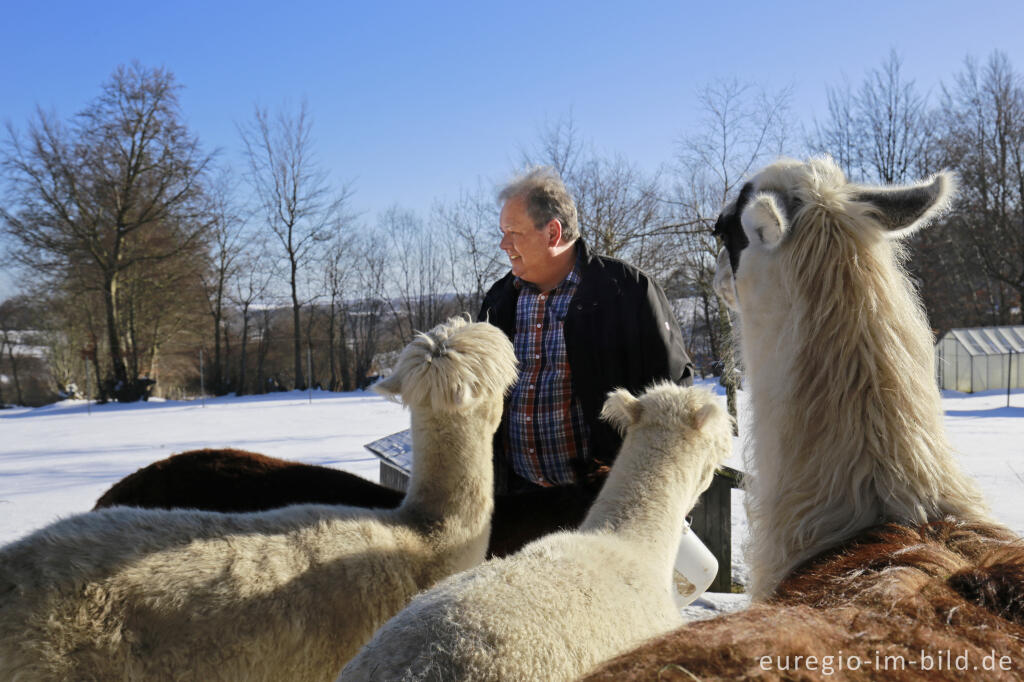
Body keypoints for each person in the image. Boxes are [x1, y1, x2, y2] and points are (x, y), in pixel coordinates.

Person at [478, 167, 693, 494]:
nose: (503, 243)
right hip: (517, 500)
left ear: (552, 233)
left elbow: (673, 398)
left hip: (601, 503)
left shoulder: (627, 291)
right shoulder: (499, 301)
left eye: (513, 232)